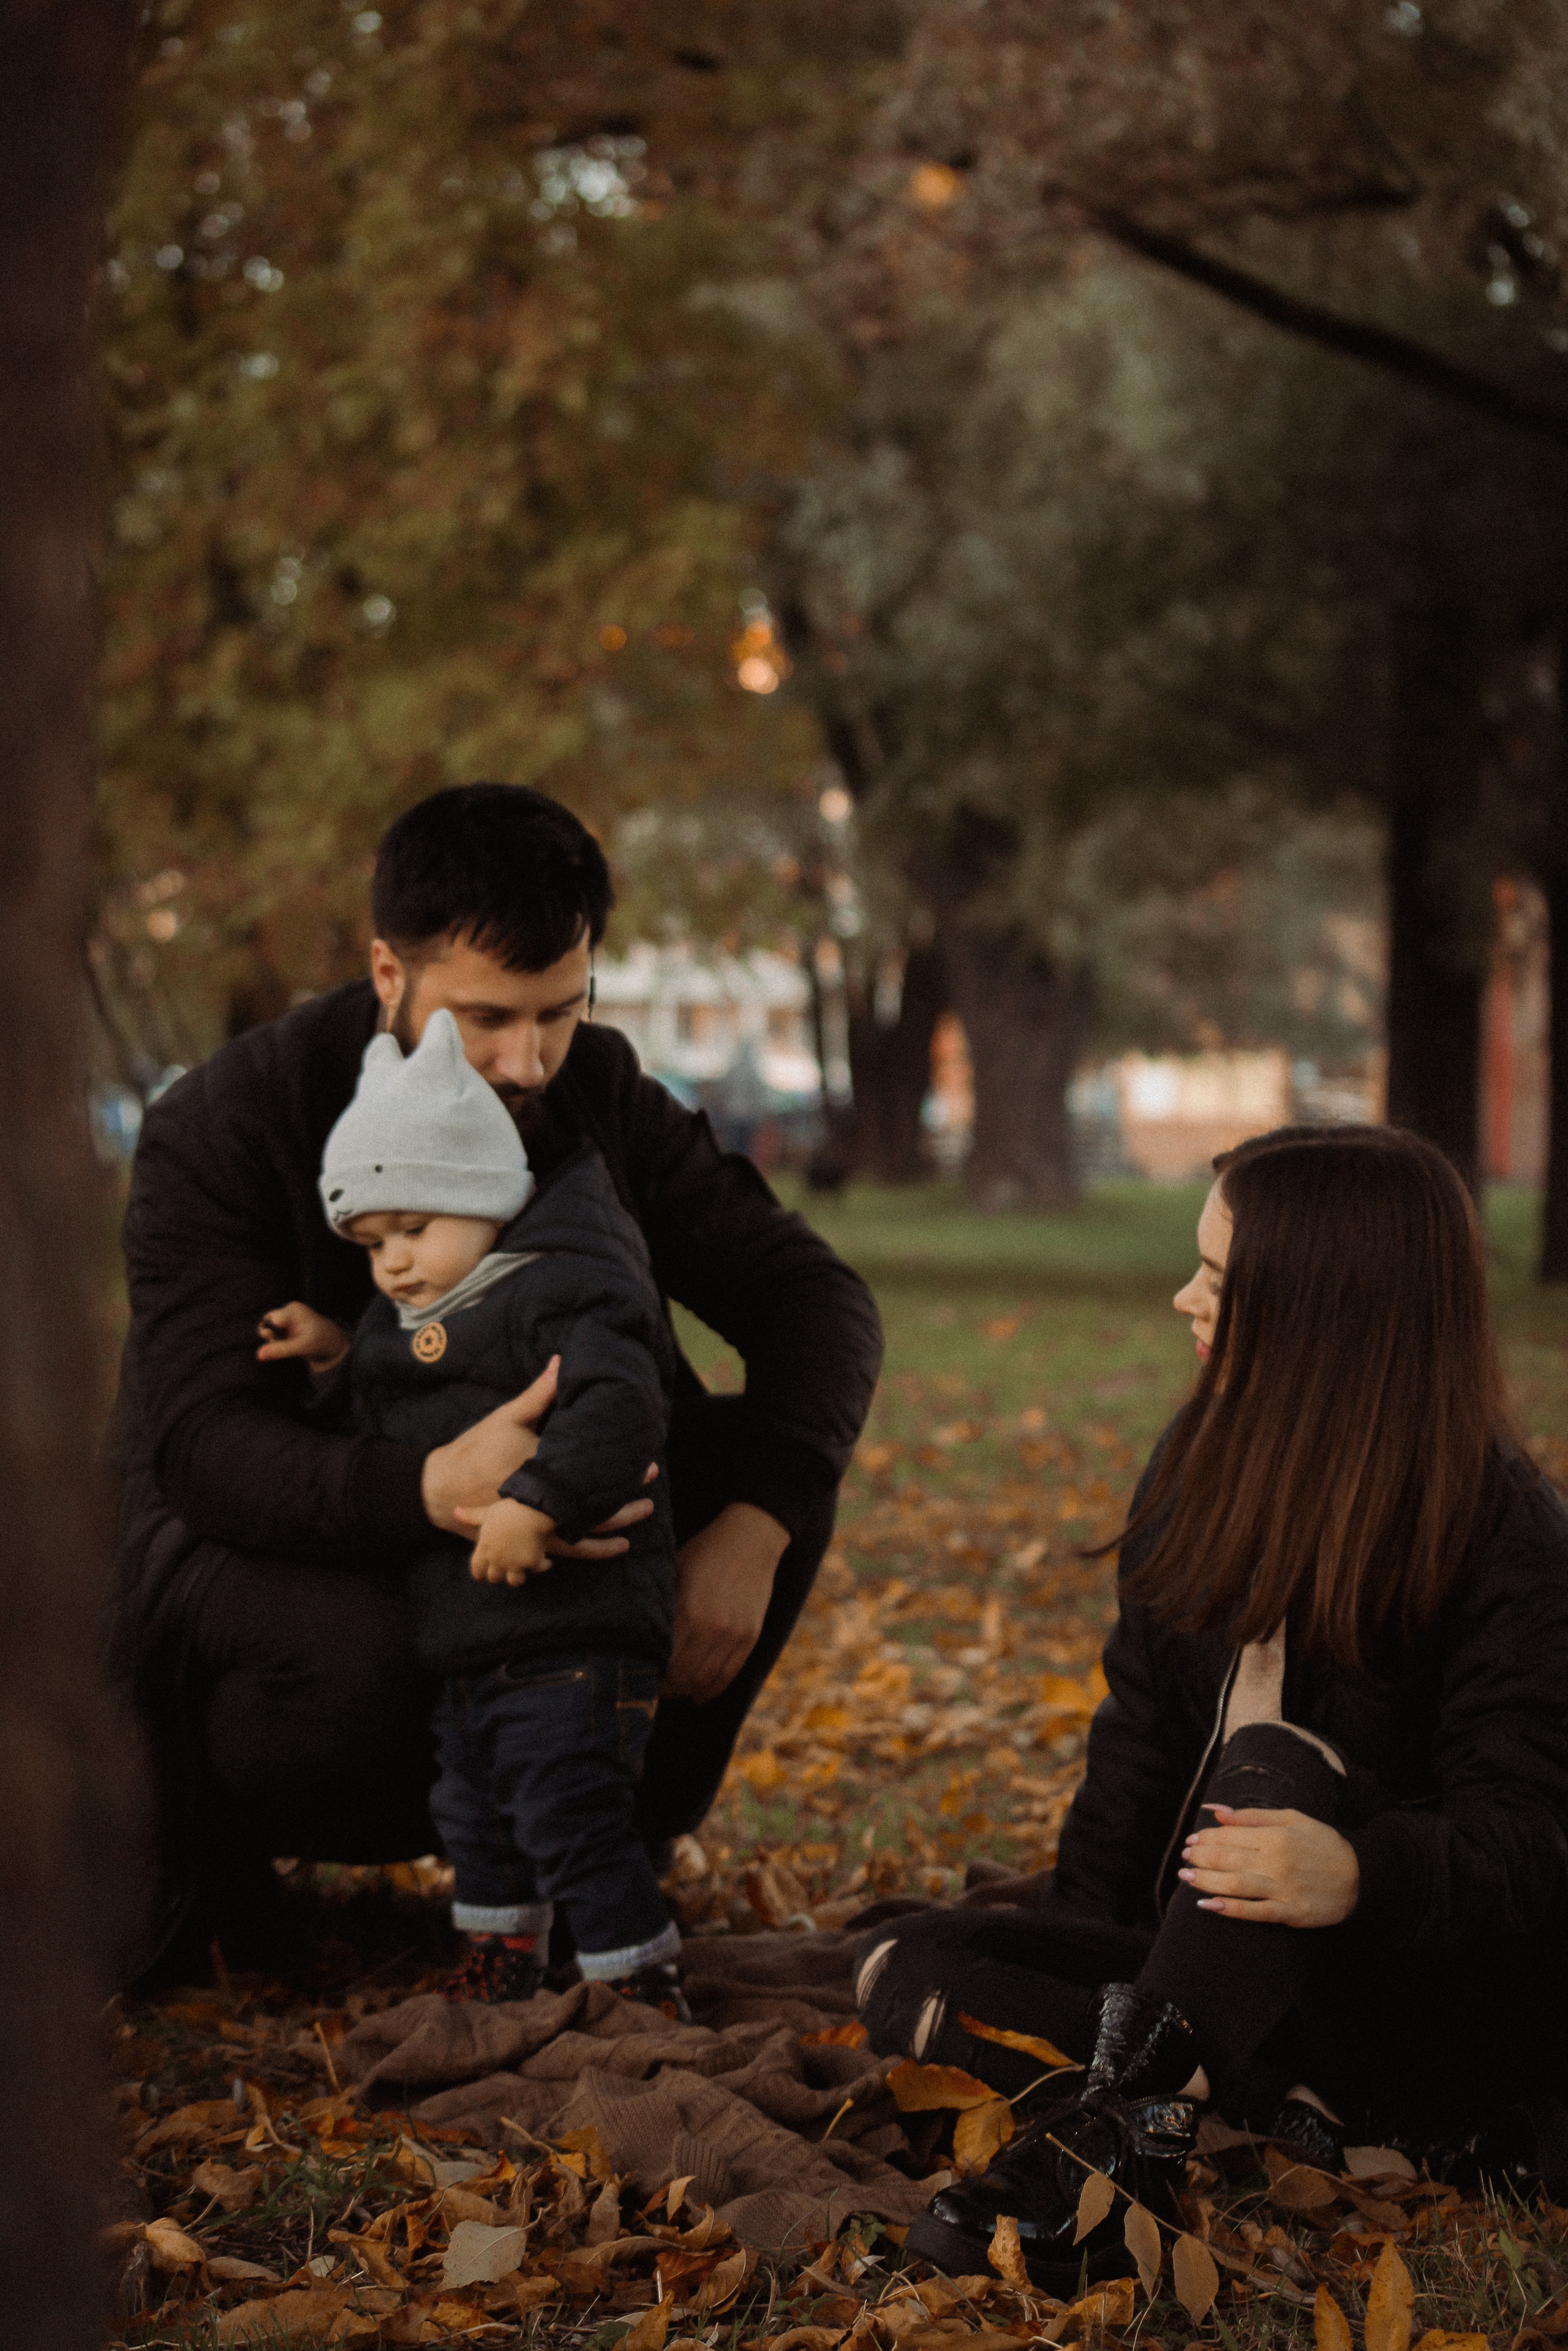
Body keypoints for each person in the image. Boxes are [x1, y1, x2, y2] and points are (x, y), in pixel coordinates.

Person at [110, 783, 883, 1981]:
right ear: (387, 971)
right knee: (370, 1654)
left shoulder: (592, 1091)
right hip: (273, 1547)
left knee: (765, 1464)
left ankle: (596, 1842)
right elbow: (204, 1447)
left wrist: (754, 1525)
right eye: (483, 1018)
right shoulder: (225, 1124)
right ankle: (211, 1844)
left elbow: (816, 1301)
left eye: (556, 1013)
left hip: (545, 1511)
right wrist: (427, 1487)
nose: (524, 1061)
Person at [855, 1125, 1568, 2290]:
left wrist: (1357, 1870)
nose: (1184, 1297)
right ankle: (1227, 2103)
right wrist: (1089, 1928)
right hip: (1222, 1961)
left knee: (1273, 1769)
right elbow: (1136, 1739)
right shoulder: (1203, 1462)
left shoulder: (1506, 1540)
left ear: (1327, 1309)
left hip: (1416, 1990)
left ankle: (1093, 2179)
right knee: (906, 1963)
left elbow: (1529, 1841)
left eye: (1220, 1281)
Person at [259, 1006, 688, 2013]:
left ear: (486, 1195)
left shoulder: (560, 1284)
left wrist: (537, 1501)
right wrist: (332, 1352)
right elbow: (379, 1401)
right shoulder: (414, 1315)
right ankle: (505, 1954)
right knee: (476, 1811)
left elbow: (619, 1403)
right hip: (469, 1636)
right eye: (371, 1243)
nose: (394, 1262)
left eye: (414, 1226)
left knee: (567, 1804)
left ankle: (637, 1975)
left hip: (576, 1630)